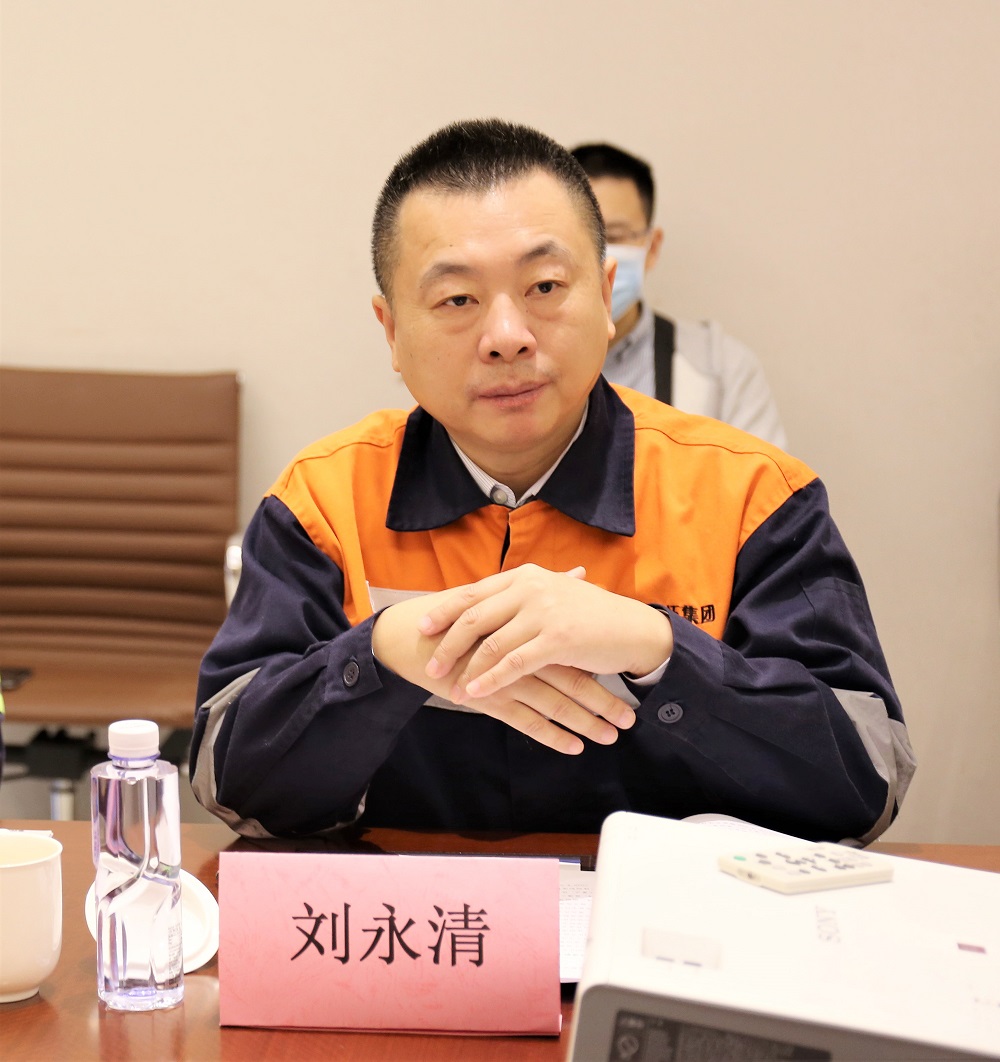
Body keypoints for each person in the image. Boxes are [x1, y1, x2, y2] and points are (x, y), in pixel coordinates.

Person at [191, 119, 913, 844]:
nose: (507, 336)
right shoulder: (323, 502)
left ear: (605, 296)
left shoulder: (752, 495)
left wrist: (660, 651)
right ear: (391, 331)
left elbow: (865, 784)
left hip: (664, 913)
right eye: (457, 299)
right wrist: (379, 657)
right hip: (411, 908)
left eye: (544, 286)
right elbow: (231, 784)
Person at [571, 142, 786, 447]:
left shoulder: (721, 368)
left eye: (615, 236)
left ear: (652, 247)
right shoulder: (517, 355)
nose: (602, 258)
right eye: (582, 237)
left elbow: (765, 476)